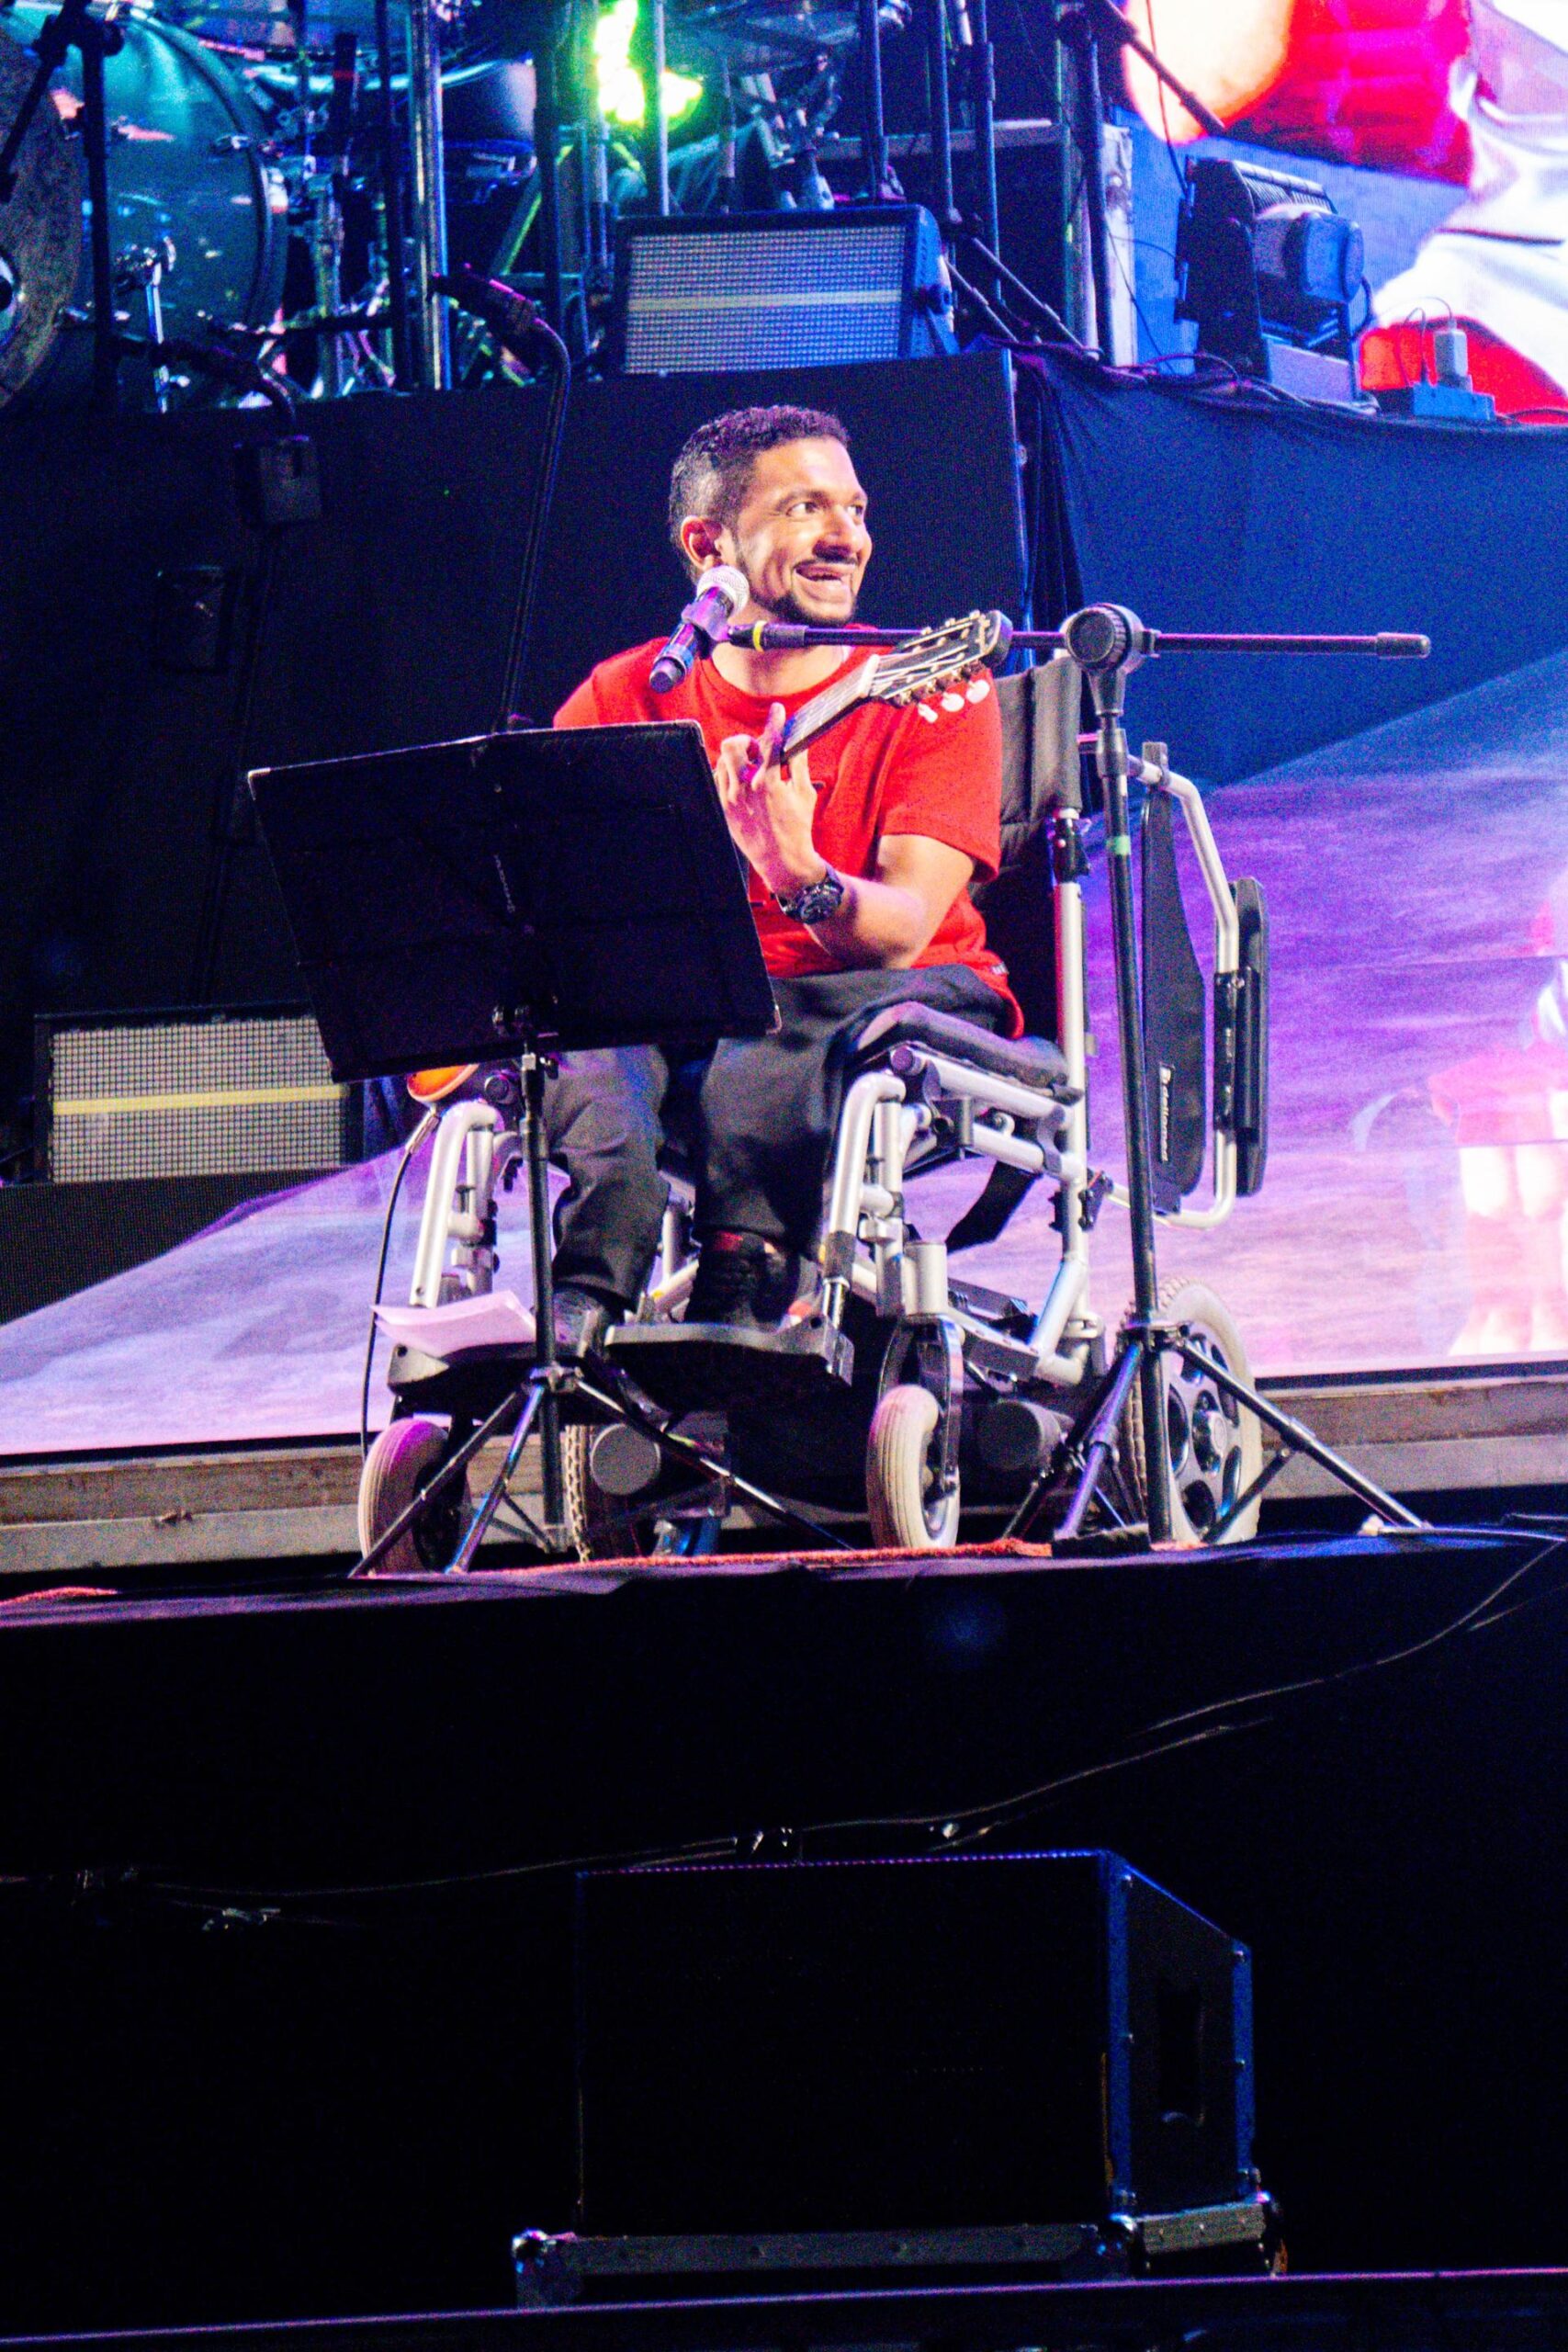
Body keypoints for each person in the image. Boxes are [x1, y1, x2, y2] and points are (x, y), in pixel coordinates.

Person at [544, 401, 1020, 1348]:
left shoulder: (930, 689)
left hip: (888, 990)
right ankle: (586, 1299)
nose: (848, 537)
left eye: (856, 509)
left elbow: (900, 931)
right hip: (699, 1005)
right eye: (807, 508)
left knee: (777, 1020)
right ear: (708, 545)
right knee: (585, 1041)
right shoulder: (623, 695)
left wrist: (793, 868)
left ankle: (745, 1276)